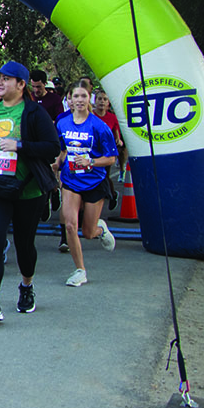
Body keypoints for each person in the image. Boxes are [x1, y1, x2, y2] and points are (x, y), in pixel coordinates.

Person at [0, 61, 59, 325]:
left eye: (7, 78)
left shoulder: (33, 112)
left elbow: (52, 147)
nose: (0, 82)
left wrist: (20, 145)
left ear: (21, 85)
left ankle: (26, 285)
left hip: (26, 190)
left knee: (24, 244)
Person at [54, 82, 118, 287]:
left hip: (94, 181)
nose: (79, 100)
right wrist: (57, 163)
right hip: (71, 180)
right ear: (69, 100)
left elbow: (111, 159)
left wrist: (91, 161)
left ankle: (100, 228)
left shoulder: (100, 127)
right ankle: (80, 270)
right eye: (76, 96)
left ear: (88, 99)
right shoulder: (62, 123)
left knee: (88, 232)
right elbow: (63, 149)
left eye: (83, 96)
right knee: (70, 225)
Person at [92, 89, 124, 209]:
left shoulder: (112, 117)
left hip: (106, 152)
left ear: (109, 103)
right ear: (95, 101)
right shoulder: (90, 115)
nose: (102, 101)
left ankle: (112, 195)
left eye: (105, 99)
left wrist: (118, 141)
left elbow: (117, 135)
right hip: (91, 150)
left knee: (104, 175)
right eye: (99, 99)